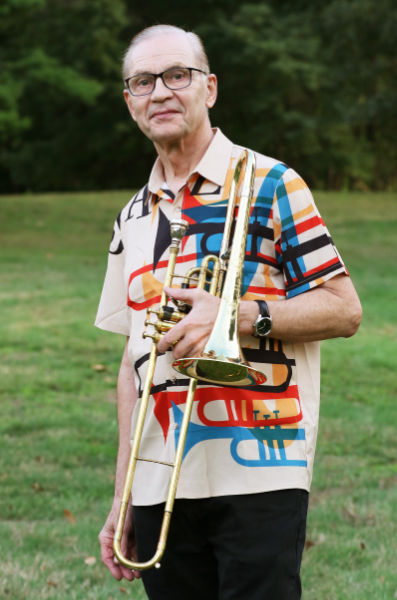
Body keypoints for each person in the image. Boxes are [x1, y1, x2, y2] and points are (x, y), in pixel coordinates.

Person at [95, 24, 362, 600]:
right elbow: (131, 363)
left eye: (177, 76)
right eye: (143, 81)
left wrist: (233, 316)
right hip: (161, 475)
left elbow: (344, 310)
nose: (160, 92)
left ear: (209, 88)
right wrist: (124, 493)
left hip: (260, 464)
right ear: (129, 101)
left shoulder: (272, 183)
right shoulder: (133, 217)